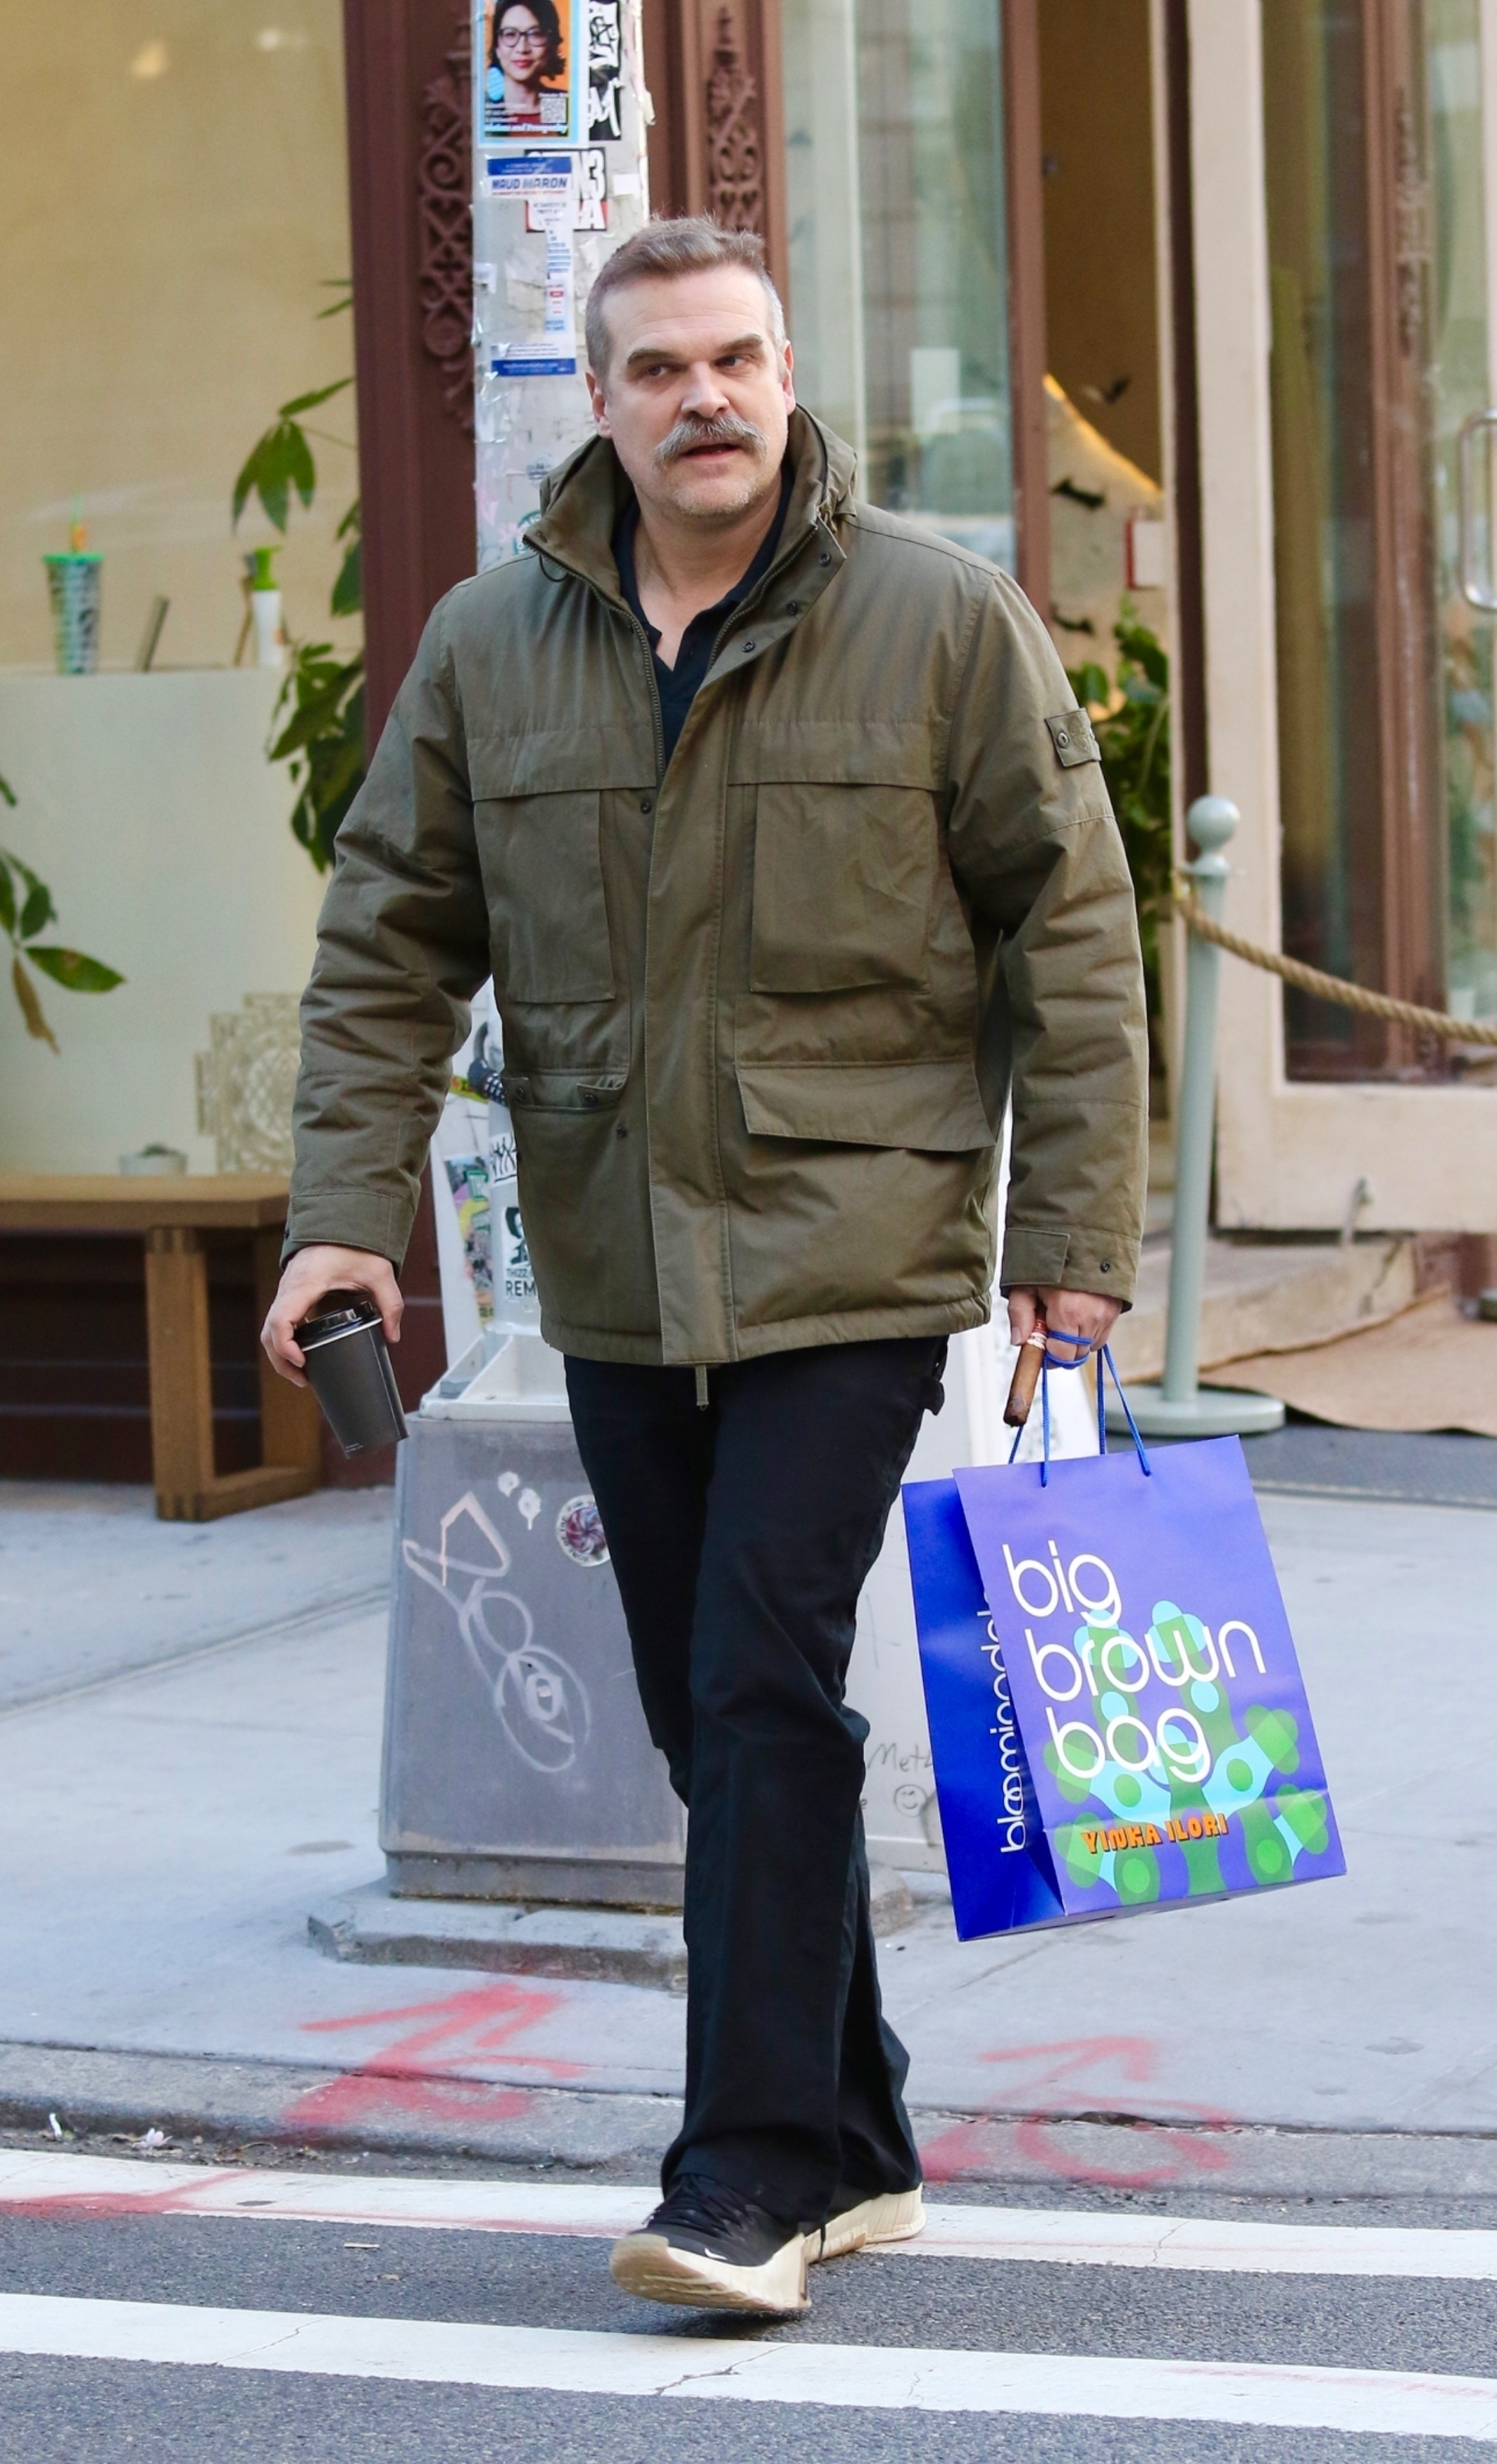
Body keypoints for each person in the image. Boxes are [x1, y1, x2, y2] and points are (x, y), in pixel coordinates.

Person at [263, 216, 1146, 2319]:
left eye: (739, 357)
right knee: (705, 1705)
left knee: (756, 1670)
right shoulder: (494, 644)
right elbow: (389, 936)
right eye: (660, 368)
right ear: (603, 396)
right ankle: (851, 2124)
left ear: (785, 370)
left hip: (854, 1247)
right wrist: (333, 1213)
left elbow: (1075, 940)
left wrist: (1068, 1250)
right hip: (607, 1253)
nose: (709, 398)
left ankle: (741, 2166)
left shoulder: (936, 620)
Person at [483, 0, 568, 134]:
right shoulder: (482, 110)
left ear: (551, 44)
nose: (522, 49)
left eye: (535, 34)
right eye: (510, 35)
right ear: (497, 47)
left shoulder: (563, 105)